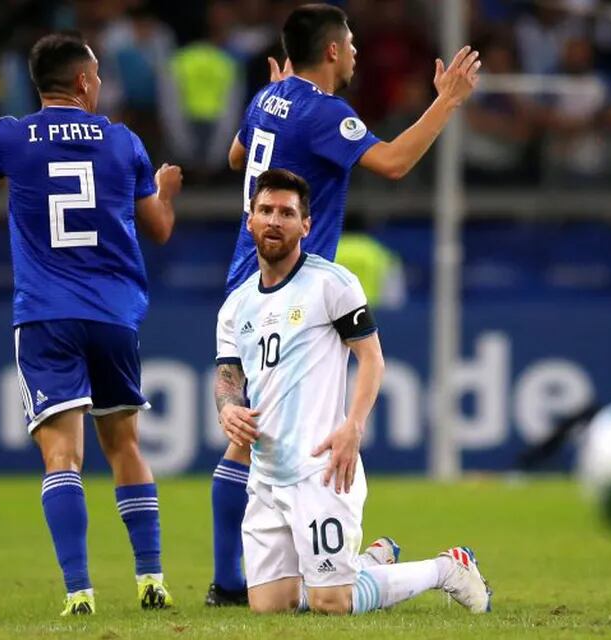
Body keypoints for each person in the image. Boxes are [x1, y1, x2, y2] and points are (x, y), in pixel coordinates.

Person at [208, 2, 481, 605]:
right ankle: (264, 577)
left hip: (247, 276)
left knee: (254, 439)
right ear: (332, 50)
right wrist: (448, 100)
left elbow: (235, 159)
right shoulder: (324, 110)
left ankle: (265, 575)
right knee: (279, 439)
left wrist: (277, 115)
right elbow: (394, 162)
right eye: (352, 43)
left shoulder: (265, 100)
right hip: (297, 290)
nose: (357, 52)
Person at [0, 32, 181, 617]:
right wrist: (167, 190)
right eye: (99, 76)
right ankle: (151, 579)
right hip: (112, 315)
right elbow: (158, 228)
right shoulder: (121, 142)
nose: (102, 84)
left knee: (63, 458)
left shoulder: (11, 135)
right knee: (126, 445)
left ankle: (80, 592)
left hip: (45, 314)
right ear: (84, 82)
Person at [215, 169, 492, 615]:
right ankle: (364, 564)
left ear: (306, 225)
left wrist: (352, 428)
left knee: (331, 604)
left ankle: (446, 568)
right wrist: (227, 408)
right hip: (267, 472)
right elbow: (228, 375)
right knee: (270, 607)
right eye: (265, 210)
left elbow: (372, 359)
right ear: (249, 219)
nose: (274, 220)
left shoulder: (331, 283)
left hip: (322, 466)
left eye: (287, 213)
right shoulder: (236, 305)